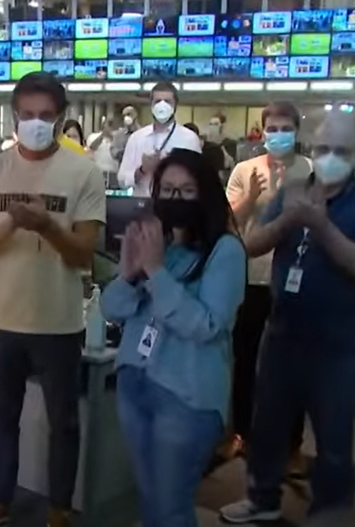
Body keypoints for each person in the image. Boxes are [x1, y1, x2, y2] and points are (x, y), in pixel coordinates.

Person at [220, 112, 355, 523]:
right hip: (282, 334)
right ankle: (263, 498)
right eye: (323, 149)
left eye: (342, 151)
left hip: (337, 344)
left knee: (333, 438)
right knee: (269, 425)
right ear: (310, 151)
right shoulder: (293, 191)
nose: (331, 157)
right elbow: (254, 243)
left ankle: (330, 510)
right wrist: (288, 218)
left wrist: (320, 225)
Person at [0, 72, 105, 527]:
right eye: (27, 116)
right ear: (14, 117)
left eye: (46, 116)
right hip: (1, 316)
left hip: (59, 320)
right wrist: (13, 223)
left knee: (62, 422)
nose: (36, 123)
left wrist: (47, 226)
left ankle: (60, 506)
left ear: (61, 118)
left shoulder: (82, 170)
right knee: (1, 417)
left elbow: (85, 252)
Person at [101, 148, 246, 527]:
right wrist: (132, 273)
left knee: (171, 505)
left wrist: (155, 270)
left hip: (186, 398)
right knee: (150, 499)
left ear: (206, 195)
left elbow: (206, 325)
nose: (174, 199)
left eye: (185, 191)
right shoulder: (158, 241)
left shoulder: (225, 251)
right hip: (135, 386)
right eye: (166, 190)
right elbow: (113, 308)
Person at [223, 102, 313, 463]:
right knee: (244, 359)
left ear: (296, 130)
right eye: (272, 128)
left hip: (295, 278)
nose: (278, 135)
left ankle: (292, 442)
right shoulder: (245, 170)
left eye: (285, 128)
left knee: (293, 362)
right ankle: (242, 432)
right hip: (251, 277)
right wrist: (251, 197)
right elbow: (227, 221)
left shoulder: (309, 171)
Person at [116, 82, 202, 196]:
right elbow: (122, 180)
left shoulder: (189, 139)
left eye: (167, 101)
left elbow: (199, 180)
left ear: (175, 105)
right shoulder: (136, 138)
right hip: (142, 207)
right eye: (157, 101)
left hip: (176, 206)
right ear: (151, 105)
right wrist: (142, 170)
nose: (162, 105)